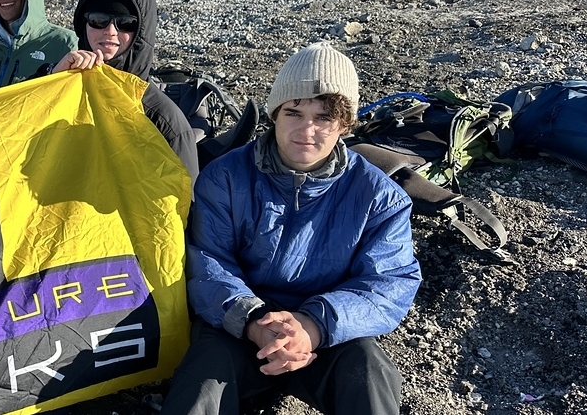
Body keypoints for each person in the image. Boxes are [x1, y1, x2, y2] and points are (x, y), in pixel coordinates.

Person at [160, 43, 423, 415]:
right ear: (275, 114)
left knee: (369, 371)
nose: (307, 130)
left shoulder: (380, 197)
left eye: (324, 117)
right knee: (200, 383)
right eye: (294, 112)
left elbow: (388, 282)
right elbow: (206, 260)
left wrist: (313, 325)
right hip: (236, 327)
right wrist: (253, 321)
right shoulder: (224, 177)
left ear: (344, 125)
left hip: (327, 335)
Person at [48, 0, 199, 180]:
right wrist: (52, 81)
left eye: (126, 23)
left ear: (142, 32)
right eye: (99, 20)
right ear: (84, 23)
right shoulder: (54, 76)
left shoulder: (164, 122)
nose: (110, 31)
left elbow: (184, 204)